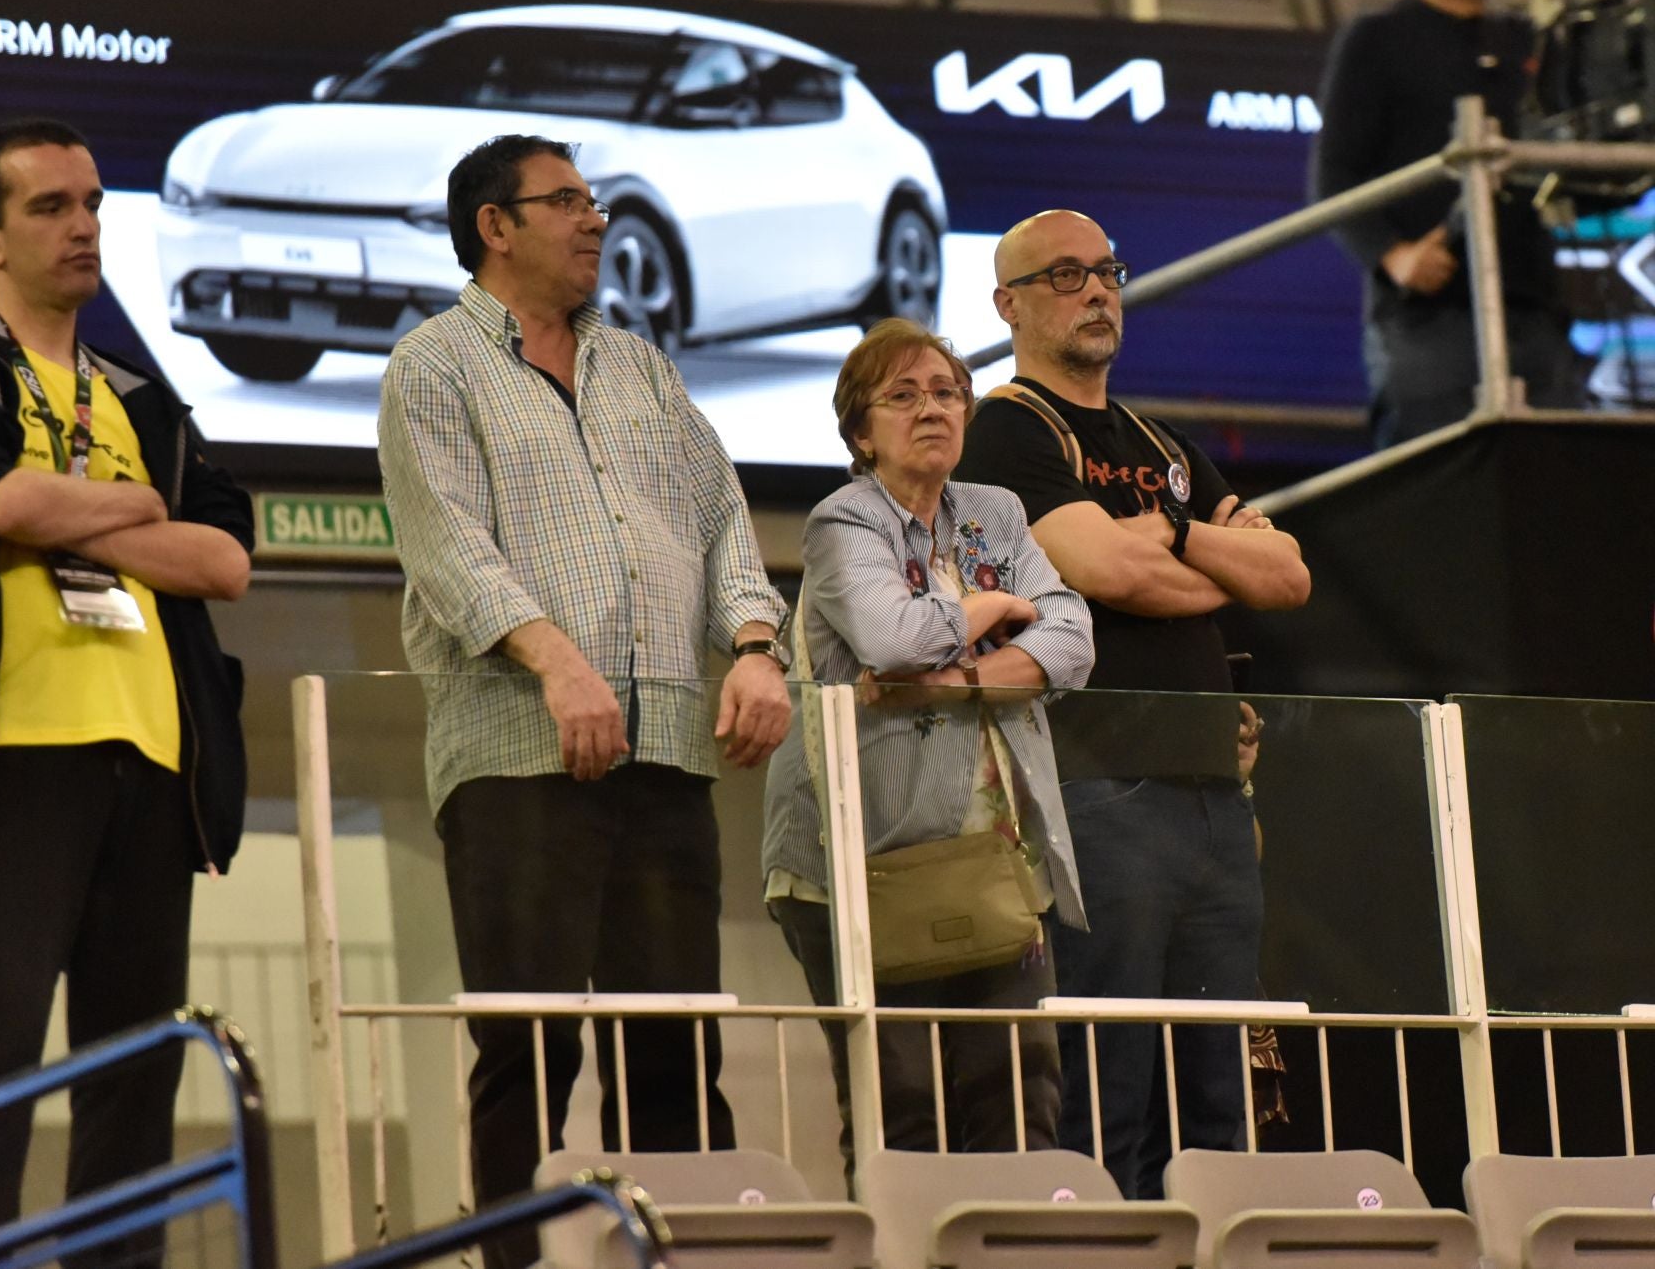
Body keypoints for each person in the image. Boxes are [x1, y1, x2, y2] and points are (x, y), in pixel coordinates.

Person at [377, 134, 791, 1269]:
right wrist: (560, 664)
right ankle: (515, 1261)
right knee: (530, 1048)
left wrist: (757, 645)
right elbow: (449, 548)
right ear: (494, 227)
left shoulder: (643, 367)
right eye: (565, 201)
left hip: (665, 752)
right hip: (517, 758)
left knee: (677, 1053)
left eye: (593, 201)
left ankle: (681, 1258)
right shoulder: (432, 366)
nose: (595, 220)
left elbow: (723, 521)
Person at [0, 120, 252, 1262]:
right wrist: (138, 511)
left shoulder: (141, 396)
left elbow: (226, 559)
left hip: (157, 759)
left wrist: (84, 517)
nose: (84, 225)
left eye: (91, 202)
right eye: (50, 206)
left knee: (134, 1061)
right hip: (17, 748)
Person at [954, 209, 1311, 1198]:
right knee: (1106, 1096)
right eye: (1066, 276)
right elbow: (1112, 571)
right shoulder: (1008, 430)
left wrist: (1176, 532)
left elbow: (1287, 575)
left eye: (1107, 271)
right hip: (1099, 793)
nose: (1098, 292)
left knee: (1221, 1104)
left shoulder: (1162, 443)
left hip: (1215, 802)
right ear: (1009, 304)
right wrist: (1211, 562)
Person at [761, 318, 1093, 1189]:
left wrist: (959, 682)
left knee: (1021, 1103)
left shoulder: (995, 512)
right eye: (903, 396)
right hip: (862, 865)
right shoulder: (844, 519)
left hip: (995, 858)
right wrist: (993, 610)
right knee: (901, 1111)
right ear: (861, 432)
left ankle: (1009, 1250)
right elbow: (892, 638)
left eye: (947, 393)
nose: (932, 409)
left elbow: (1072, 636)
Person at [1312, 0, 1581, 446]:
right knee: (1442, 475)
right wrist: (1394, 255)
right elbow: (1334, 175)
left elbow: (1574, 164)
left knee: (1552, 475)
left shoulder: (1532, 39)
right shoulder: (1378, 37)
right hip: (1426, 320)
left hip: (1534, 314)